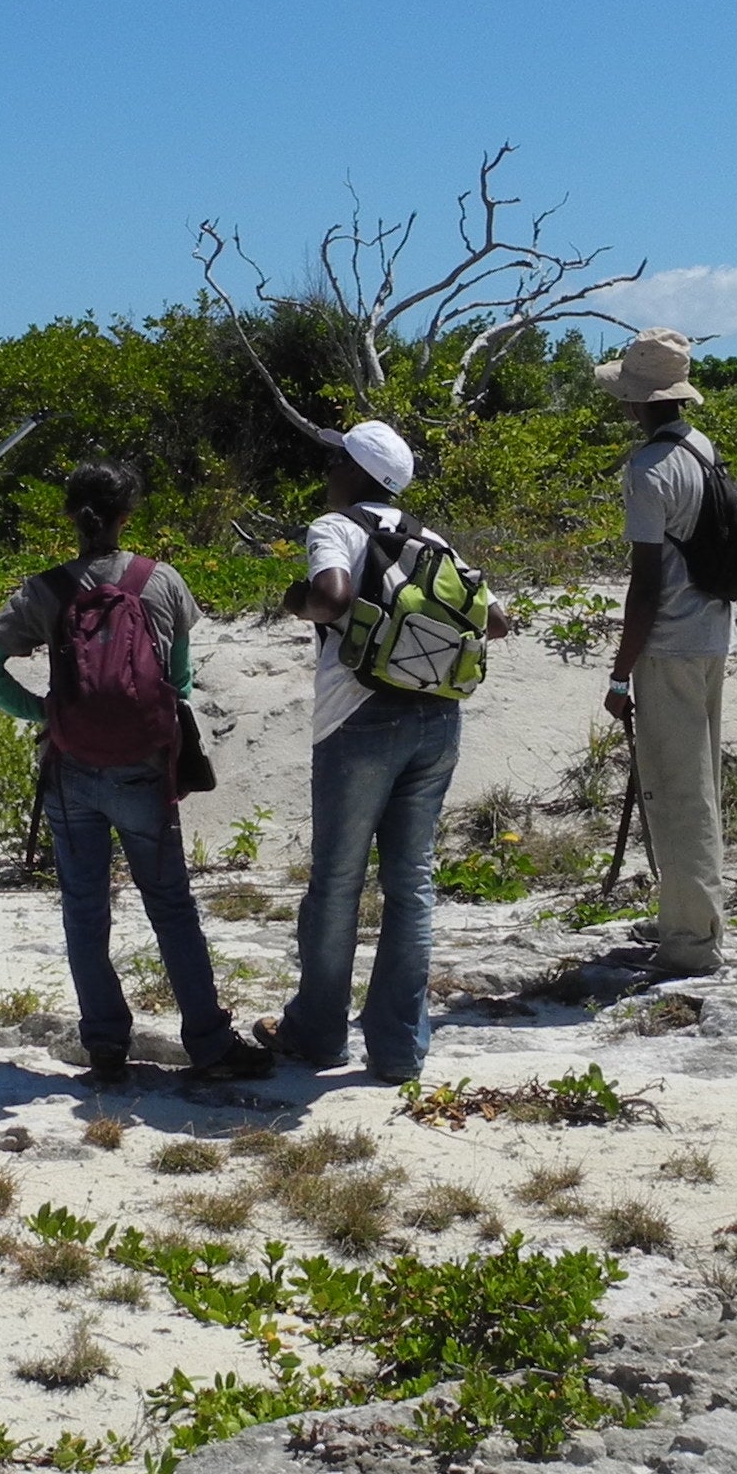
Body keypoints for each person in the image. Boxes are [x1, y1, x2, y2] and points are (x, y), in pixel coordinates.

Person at [0, 461, 276, 1086]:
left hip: (71, 769)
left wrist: (48, 716)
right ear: (128, 515)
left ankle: (106, 1046)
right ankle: (210, 1044)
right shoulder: (160, 582)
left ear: (69, 514)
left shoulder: (44, 589)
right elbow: (180, 683)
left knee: (84, 909)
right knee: (171, 906)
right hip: (142, 771)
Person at [258, 420, 509, 1084]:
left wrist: (295, 601)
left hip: (358, 718)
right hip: (438, 720)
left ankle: (317, 1033)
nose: (330, 467)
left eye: (338, 457)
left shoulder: (335, 526)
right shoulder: (432, 540)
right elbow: (498, 620)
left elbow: (331, 596)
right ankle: (398, 1050)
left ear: (358, 472)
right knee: (412, 884)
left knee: (337, 882)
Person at [596, 329, 729, 979]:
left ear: (636, 400)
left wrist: (621, 674)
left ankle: (691, 945)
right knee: (697, 786)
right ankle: (690, 916)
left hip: (670, 644)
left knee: (678, 794)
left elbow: (644, 585)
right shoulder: (702, 450)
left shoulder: (648, 470)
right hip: (711, 635)